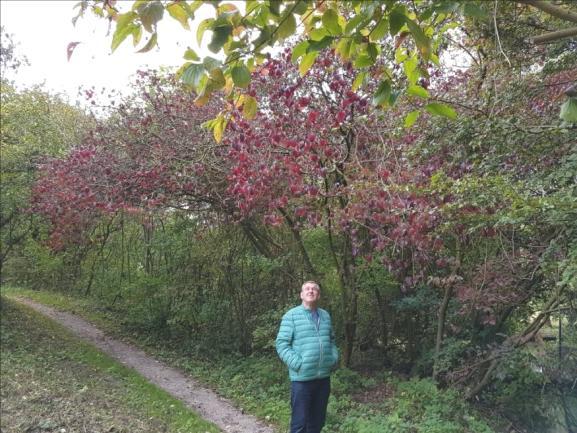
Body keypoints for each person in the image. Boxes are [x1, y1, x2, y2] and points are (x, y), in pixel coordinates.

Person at [276, 281, 339, 433]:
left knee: (317, 423)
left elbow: (331, 340)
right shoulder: (291, 316)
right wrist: (298, 364)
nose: (311, 291)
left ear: (318, 295)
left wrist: (334, 358)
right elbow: (282, 344)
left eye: (314, 289)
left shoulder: (325, 316)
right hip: (302, 381)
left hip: (323, 379)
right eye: (307, 289)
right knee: (300, 424)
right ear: (301, 295)